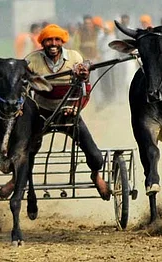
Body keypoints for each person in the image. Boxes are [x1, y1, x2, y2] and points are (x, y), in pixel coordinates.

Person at [24, 24, 110, 200]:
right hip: (41, 113)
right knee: (24, 152)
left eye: (56, 39)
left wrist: (76, 107)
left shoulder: (74, 57)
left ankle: (96, 175)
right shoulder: (32, 60)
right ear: (42, 42)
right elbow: (23, 89)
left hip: (69, 114)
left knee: (96, 156)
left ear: (62, 41)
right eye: (48, 40)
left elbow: (85, 88)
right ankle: (16, 179)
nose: (53, 43)